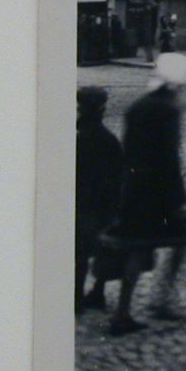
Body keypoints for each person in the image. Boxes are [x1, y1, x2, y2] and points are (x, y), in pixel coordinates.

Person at [100, 53, 186, 334]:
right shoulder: (169, 109)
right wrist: (179, 199)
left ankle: (123, 311)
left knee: (138, 248)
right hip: (160, 195)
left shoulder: (137, 107)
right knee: (182, 240)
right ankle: (163, 299)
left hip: (135, 191)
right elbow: (169, 159)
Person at [75, 86, 124, 313]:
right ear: (103, 108)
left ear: (79, 108)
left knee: (79, 254)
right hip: (101, 205)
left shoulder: (76, 137)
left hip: (79, 203)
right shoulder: (109, 140)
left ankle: (75, 297)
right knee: (103, 249)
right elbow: (119, 176)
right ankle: (98, 291)